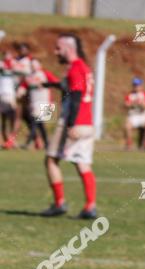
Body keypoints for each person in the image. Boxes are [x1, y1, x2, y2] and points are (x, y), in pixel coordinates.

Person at [41, 34, 98, 219]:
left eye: (58, 48)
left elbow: (75, 97)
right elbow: (72, 89)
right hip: (88, 123)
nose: (55, 52)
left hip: (73, 122)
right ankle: (90, 206)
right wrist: (50, 84)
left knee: (51, 159)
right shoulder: (85, 68)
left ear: (68, 48)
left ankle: (59, 203)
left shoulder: (74, 69)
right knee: (82, 164)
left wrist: (71, 124)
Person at [19, 58, 58, 150]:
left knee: (36, 123)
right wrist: (20, 91)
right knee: (38, 124)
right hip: (34, 103)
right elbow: (23, 86)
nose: (33, 66)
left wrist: (45, 84)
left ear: (39, 65)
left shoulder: (45, 74)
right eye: (31, 65)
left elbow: (56, 82)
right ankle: (46, 144)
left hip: (45, 102)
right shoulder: (29, 76)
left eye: (35, 64)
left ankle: (28, 143)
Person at [123, 77, 145, 151]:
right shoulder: (129, 95)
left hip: (142, 116)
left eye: (138, 85)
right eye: (135, 85)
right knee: (127, 126)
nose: (136, 87)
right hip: (133, 116)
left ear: (141, 86)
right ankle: (129, 144)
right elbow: (126, 105)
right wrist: (134, 103)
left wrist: (141, 103)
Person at [0, 52, 18, 149]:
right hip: (2, 96)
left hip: (11, 96)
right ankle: (7, 140)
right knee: (4, 120)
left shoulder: (14, 65)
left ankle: (12, 140)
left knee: (13, 119)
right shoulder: (2, 64)